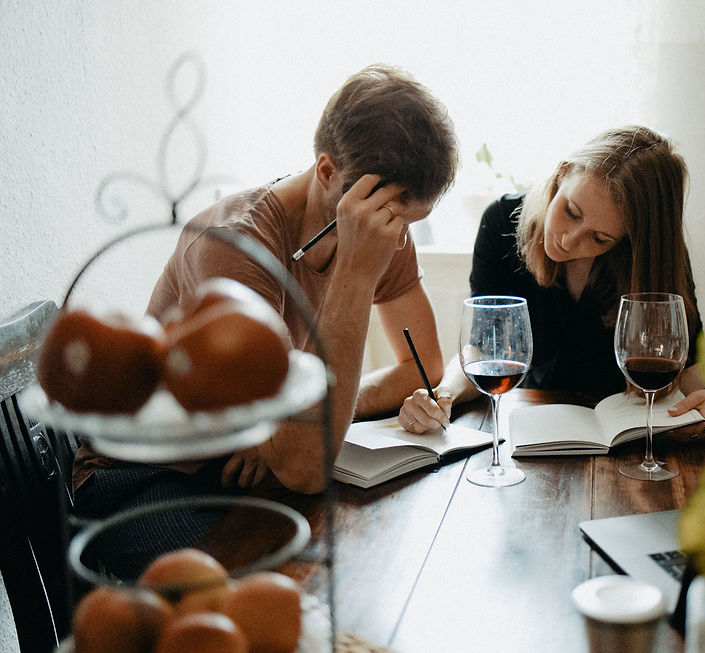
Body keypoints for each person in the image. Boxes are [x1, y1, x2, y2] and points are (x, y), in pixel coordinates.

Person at [72, 64, 459, 513]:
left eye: (409, 223)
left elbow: (422, 368)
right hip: (147, 476)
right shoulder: (235, 246)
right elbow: (304, 468)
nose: (396, 238)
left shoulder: (385, 226)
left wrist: (292, 427)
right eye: (392, 219)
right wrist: (355, 276)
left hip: (244, 472)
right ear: (328, 171)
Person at [398, 125, 705, 435]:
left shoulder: (652, 258)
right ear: (563, 173)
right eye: (571, 211)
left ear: (628, 239)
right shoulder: (501, 223)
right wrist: (443, 395)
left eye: (599, 237)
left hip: (628, 437)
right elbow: (482, 352)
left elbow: (688, 367)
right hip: (529, 429)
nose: (569, 241)